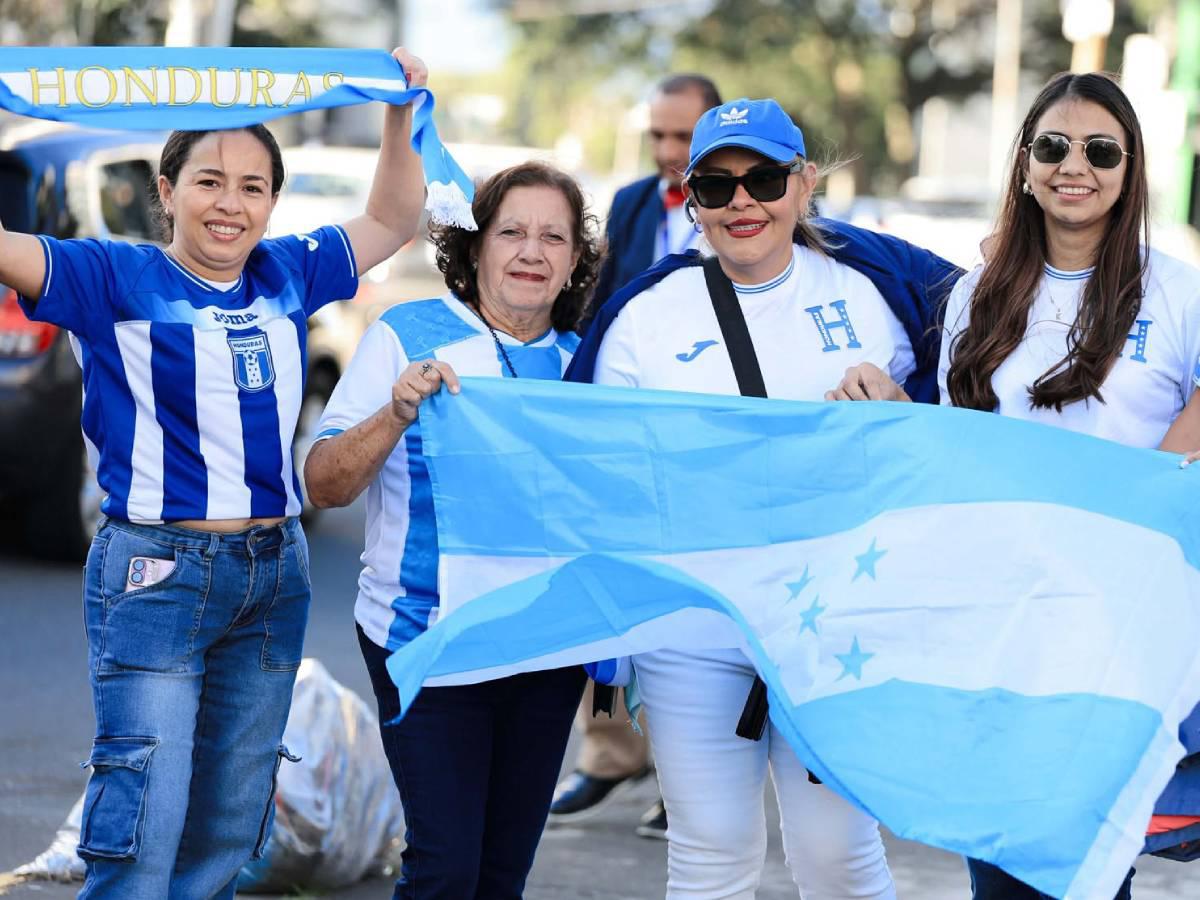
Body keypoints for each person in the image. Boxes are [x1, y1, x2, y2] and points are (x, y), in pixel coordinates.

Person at [0, 47, 429, 899]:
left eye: (253, 186)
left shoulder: (289, 270)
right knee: (140, 831)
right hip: (155, 577)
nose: (230, 203)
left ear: (272, 201)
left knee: (230, 834)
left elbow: (395, 215)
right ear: (167, 190)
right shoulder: (112, 276)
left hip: (273, 578)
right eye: (208, 180)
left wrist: (399, 105)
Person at [829, 71, 1200, 899]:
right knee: (997, 855)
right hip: (997, 615)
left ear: (1131, 167)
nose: (1077, 165)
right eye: (1054, 146)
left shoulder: (1175, 291)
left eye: (1101, 149)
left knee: (1086, 863)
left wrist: (1146, 493)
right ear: (1025, 165)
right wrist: (894, 409)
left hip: (1115, 620)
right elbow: (961, 444)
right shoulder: (978, 293)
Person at [584, 96, 951, 900]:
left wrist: (905, 410)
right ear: (689, 195)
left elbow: (964, 412)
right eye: (715, 186)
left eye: (765, 178)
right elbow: (596, 473)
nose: (742, 201)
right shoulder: (642, 318)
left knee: (840, 861)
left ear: (804, 182)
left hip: (832, 622)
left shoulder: (878, 292)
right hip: (693, 626)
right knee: (709, 857)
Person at [303, 161, 604, 899]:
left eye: (553, 237)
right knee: (445, 870)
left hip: (543, 649)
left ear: (573, 262)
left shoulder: (592, 364)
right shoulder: (408, 334)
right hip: (426, 641)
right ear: (475, 249)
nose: (532, 252)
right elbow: (324, 483)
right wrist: (396, 412)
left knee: (502, 876)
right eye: (512, 233)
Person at [552, 72, 721, 840]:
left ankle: (687, 771)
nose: (667, 152)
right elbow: (595, 309)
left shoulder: (747, 205)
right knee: (611, 596)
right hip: (628, 439)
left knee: (697, 612)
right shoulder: (628, 205)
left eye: (682, 137)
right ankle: (612, 754)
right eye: (658, 135)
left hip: (712, 447)